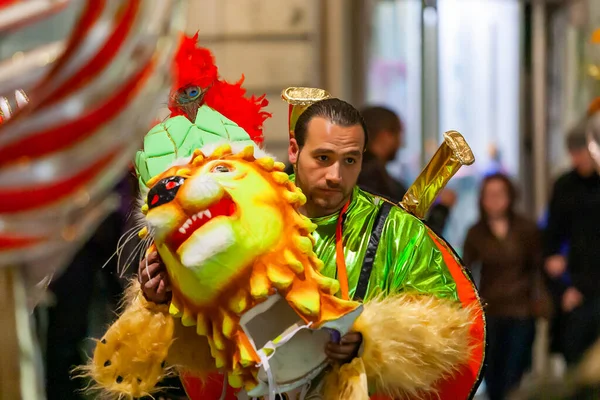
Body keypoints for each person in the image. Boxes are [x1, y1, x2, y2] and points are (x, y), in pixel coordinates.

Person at [139, 96, 484, 398]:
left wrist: (370, 342)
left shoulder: (396, 229)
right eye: (323, 158)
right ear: (293, 150)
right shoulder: (241, 206)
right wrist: (158, 299)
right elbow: (201, 327)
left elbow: (446, 329)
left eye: (350, 160)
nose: (335, 175)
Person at [463, 173, 547, 400]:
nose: (495, 200)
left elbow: (538, 268)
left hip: (521, 310)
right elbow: (466, 272)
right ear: (481, 199)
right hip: (490, 312)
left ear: (510, 196)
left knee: (514, 375)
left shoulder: (526, 230)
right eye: (489, 195)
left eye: (500, 194)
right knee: (493, 378)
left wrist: (540, 302)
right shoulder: (475, 233)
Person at [543, 120, 600, 366]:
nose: (578, 159)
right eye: (574, 152)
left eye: (583, 151)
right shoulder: (565, 185)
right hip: (575, 291)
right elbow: (551, 241)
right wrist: (563, 290)